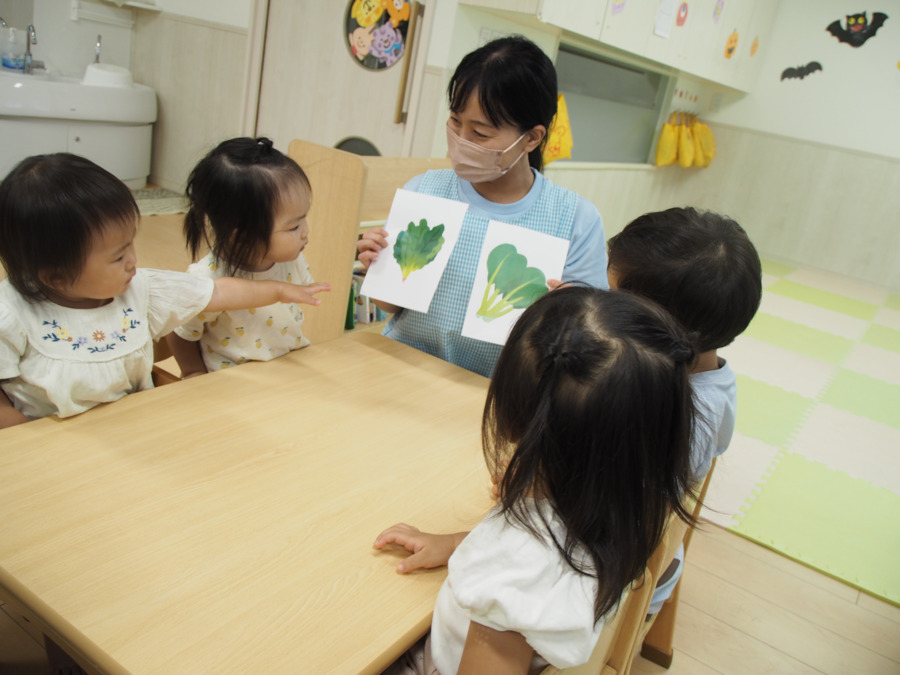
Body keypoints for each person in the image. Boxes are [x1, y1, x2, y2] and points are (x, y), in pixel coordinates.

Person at [374, 287, 698, 674]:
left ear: (513, 418)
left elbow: (519, 574)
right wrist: (458, 543)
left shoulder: (511, 580)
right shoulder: (629, 504)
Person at [0, 153, 329, 429]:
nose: (133, 261)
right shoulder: (10, 314)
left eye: (131, 244)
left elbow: (218, 293)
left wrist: (280, 291)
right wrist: (29, 439)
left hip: (135, 427)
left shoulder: (141, 287)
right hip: (49, 441)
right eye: (118, 257)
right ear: (56, 278)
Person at [357, 36, 608, 378]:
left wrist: (570, 313)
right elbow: (390, 306)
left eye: (480, 133)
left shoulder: (575, 219)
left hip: (496, 392)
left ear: (532, 138)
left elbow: (583, 344)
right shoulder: (425, 190)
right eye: (456, 122)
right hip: (402, 369)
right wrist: (379, 266)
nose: (461, 140)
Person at [606, 206, 762, 615]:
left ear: (660, 326)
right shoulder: (704, 373)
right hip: (632, 537)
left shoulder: (682, 414)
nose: (604, 308)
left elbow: (601, 529)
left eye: (613, 300)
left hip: (619, 582)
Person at [166, 137, 323, 376]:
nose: (305, 232)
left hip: (285, 373)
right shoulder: (206, 279)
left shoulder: (290, 260)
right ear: (242, 237)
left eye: (304, 219)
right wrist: (192, 373)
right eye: (293, 227)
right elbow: (179, 332)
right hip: (234, 386)